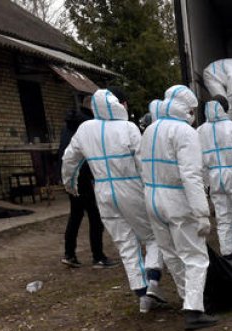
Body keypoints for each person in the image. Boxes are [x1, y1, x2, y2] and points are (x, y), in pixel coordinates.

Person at [61, 89, 169, 314]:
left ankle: (141, 294)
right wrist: (152, 187)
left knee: (125, 242)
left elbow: (69, 159)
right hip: (130, 187)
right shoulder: (128, 128)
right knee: (153, 235)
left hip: (103, 190)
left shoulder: (85, 129)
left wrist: (69, 185)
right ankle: (153, 280)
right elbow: (142, 161)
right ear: (119, 105)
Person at [138, 85, 217, 331]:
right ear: (187, 108)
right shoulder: (184, 132)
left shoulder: (151, 129)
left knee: (171, 253)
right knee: (194, 256)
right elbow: (191, 175)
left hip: (152, 198)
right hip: (178, 201)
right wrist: (202, 212)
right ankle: (194, 309)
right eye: (192, 109)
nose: (193, 114)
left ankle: (189, 299)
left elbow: (142, 166)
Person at [59, 97, 114, 269]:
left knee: (75, 215)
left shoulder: (68, 125)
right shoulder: (89, 125)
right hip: (84, 177)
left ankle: (69, 254)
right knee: (95, 217)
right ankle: (98, 256)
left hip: (70, 176)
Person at [197, 100, 232, 254]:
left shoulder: (200, 131)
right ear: (224, 109)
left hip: (213, 176)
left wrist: (205, 183)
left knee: (222, 218)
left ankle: (227, 253)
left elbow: (199, 160)